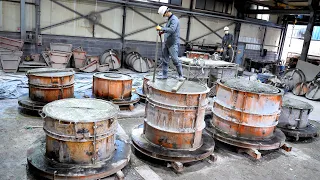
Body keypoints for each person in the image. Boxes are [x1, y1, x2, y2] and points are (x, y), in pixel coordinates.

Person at [156, 6, 184, 81]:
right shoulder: (169, 19)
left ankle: (181, 75)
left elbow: (172, 30)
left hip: (172, 43)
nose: (164, 16)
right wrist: (163, 31)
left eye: (164, 14)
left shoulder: (174, 19)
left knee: (175, 60)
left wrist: (161, 28)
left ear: (167, 12)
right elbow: (168, 29)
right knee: (165, 60)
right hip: (167, 43)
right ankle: (164, 75)